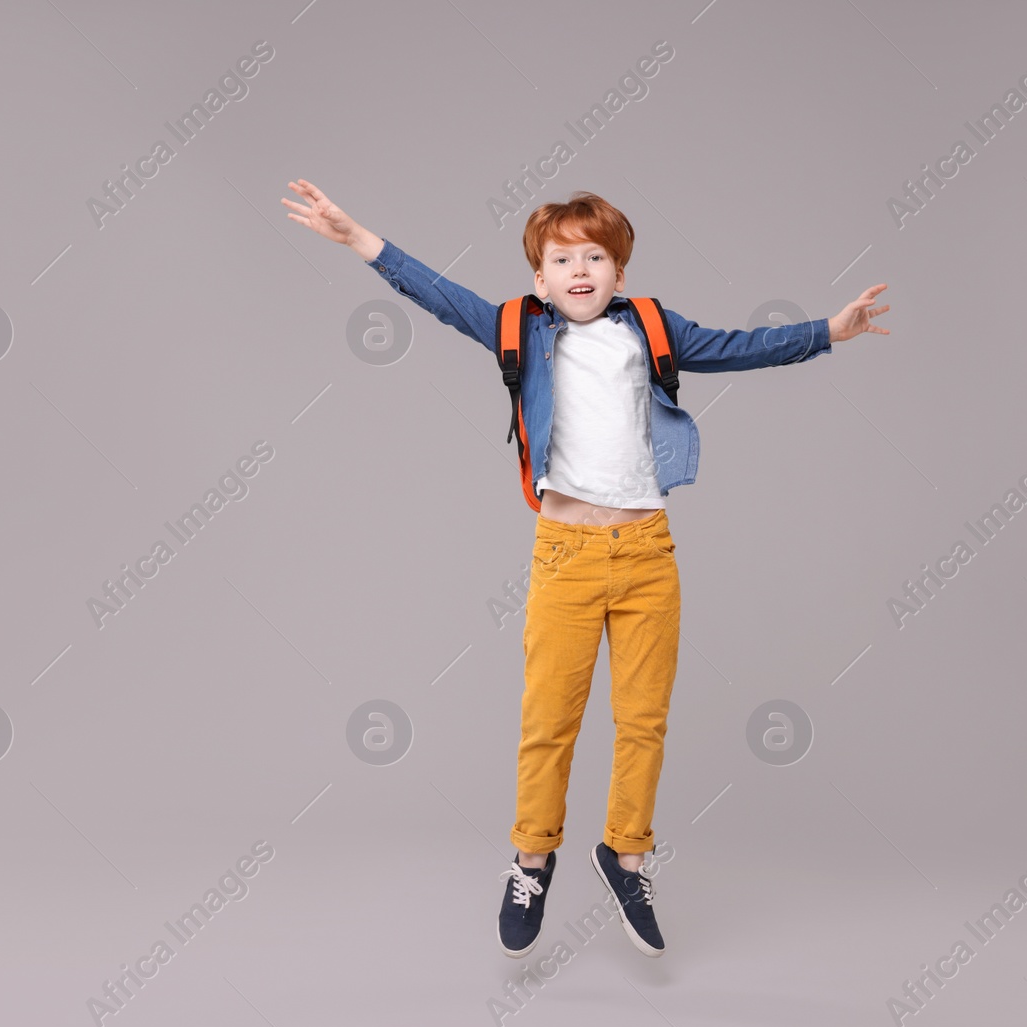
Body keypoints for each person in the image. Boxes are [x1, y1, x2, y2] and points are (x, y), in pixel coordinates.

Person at [283, 180, 890, 958]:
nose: (579, 269)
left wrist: (828, 331)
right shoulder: (517, 328)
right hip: (565, 556)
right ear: (539, 277)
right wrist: (358, 237)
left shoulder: (653, 329)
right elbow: (438, 294)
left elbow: (743, 346)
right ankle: (532, 858)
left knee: (644, 721)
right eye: (561, 257)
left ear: (619, 271)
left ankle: (626, 855)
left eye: (594, 256)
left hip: (647, 554)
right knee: (549, 721)